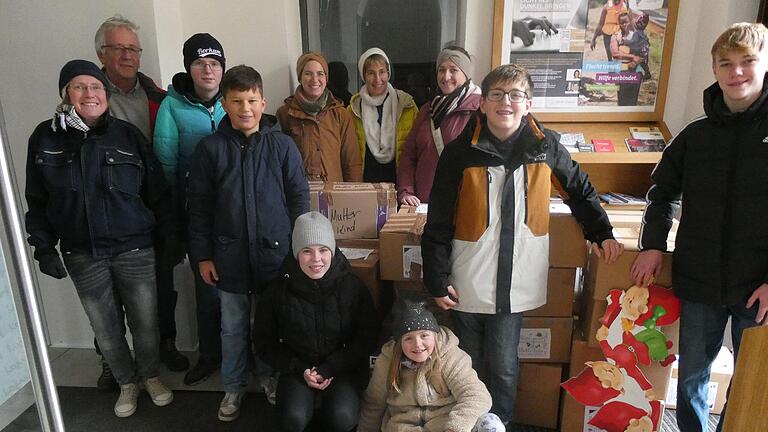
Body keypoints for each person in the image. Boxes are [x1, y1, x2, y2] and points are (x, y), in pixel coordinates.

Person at [421, 64, 623, 427]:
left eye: (515, 95)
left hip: (515, 281)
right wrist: (435, 275)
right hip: (467, 277)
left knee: (503, 367)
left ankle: (499, 425)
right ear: (483, 104)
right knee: (465, 364)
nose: (506, 102)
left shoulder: (546, 148)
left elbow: (579, 188)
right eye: (496, 94)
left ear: (527, 103)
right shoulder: (458, 153)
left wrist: (601, 232)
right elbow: (437, 219)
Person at [630, 22, 768, 432]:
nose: (736, 72)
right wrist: (653, 245)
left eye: (747, 62)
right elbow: (661, 193)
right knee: (692, 375)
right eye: (726, 63)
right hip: (701, 282)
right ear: (714, 69)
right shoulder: (695, 136)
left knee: (751, 380)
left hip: (758, 285)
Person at [25, 60, 174, 417]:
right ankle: (127, 383)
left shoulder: (126, 135)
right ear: (65, 94)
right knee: (105, 330)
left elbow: (157, 192)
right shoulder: (44, 139)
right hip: (83, 253)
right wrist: (42, 247)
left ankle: (150, 376)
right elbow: (37, 200)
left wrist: (169, 239)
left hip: (134, 248)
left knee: (146, 324)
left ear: (105, 94)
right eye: (79, 87)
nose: (89, 94)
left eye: (96, 87)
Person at [187, 65, 309, 422]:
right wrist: (204, 257)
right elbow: (199, 209)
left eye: (252, 100)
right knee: (233, 328)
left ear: (263, 101)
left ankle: (269, 379)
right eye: (237, 101)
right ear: (224, 103)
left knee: (270, 326)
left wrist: (298, 251)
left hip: (275, 258)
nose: (245, 109)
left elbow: (298, 200)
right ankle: (234, 388)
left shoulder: (282, 145)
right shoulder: (210, 150)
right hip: (228, 260)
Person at [94, 14, 188, 386]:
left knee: (161, 282)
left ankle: (164, 343)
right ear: (101, 53)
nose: (129, 56)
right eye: (120, 48)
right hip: (105, 208)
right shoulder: (88, 95)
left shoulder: (156, 97)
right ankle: (109, 361)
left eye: (134, 49)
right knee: (106, 292)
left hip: (151, 204)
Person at [252, 211, 379, 431]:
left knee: (343, 417)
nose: (316, 259)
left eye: (323, 250)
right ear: (296, 254)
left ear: (332, 251)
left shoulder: (352, 287)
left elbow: (367, 336)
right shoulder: (277, 291)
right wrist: (298, 368)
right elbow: (264, 343)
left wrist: (332, 366)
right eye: (307, 251)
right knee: (292, 419)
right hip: (297, 368)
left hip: (341, 367)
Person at [153, 33, 227, 386]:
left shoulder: (235, 98)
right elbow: (165, 165)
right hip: (196, 212)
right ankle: (210, 355)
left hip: (234, 212)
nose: (208, 70)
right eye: (200, 63)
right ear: (189, 68)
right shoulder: (173, 106)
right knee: (207, 291)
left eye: (214, 63)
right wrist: (175, 220)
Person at [358, 296, 505, 432]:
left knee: (491, 423)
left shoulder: (450, 355)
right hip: (404, 427)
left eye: (424, 336)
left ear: (435, 335)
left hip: (445, 425)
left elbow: (476, 396)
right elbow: (374, 404)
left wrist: (455, 428)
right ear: (399, 343)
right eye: (408, 338)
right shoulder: (387, 361)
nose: (418, 344)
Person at [397, 46, 481, 206]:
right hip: (424, 205)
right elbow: (409, 155)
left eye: (453, 70)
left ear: (466, 73)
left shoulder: (480, 109)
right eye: (441, 70)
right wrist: (406, 190)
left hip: (463, 206)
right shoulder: (427, 110)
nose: (446, 76)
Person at [276, 52, 362, 182]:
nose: (314, 79)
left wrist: (353, 195)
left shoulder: (341, 114)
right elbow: (279, 162)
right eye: (308, 73)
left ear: (326, 78)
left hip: (334, 195)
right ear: (300, 77)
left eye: (320, 74)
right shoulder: (285, 114)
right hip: (298, 195)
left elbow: (351, 162)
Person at [348, 47, 418, 183]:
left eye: (382, 72)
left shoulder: (406, 105)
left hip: (399, 182)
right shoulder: (352, 109)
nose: (377, 79)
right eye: (371, 73)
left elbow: (417, 148)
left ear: (388, 73)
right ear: (364, 76)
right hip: (365, 184)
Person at [611, 12, 645, 106]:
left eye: (626, 22)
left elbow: (642, 53)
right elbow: (615, 53)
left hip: (634, 71)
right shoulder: (615, 36)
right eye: (622, 23)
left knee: (633, 101)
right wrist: (633, 56)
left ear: (630, 21)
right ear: (619, 23)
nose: (624, 25)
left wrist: (635, 61)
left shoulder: (635, 35)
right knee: (622, 100)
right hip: (621, 72)